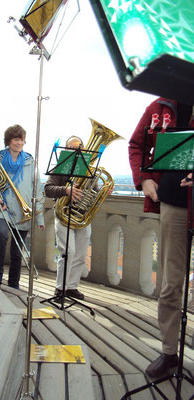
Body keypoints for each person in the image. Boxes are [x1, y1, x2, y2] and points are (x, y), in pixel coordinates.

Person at [129, 97, 194, 378]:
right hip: (173, 203)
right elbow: (136, 145)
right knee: (170, 283)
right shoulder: (159, 104)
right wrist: (143, 178)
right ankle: (169, 352)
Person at [0, 124, 45, 289]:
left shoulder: (30, 162)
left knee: (17, 250)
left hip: (23, 211)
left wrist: (39, 217)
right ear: (8, 141)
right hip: (1, 209)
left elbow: (37, 190)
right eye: (16, 139)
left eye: (22, 140)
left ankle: (13, 283)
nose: (19, 143)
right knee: (1, 234)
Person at [44, 136, 91, 301]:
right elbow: (47, 189)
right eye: (71, 147)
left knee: (80, 253)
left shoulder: (88, 167)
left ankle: (71, 287)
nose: (75, 150)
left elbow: (94, 191)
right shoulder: (61, 167)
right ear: (66, 150)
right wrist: (66, 190)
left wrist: (104, 192)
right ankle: (60, 289)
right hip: (63, 214)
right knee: (68, 252)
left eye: (78, 147)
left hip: (82, 215)